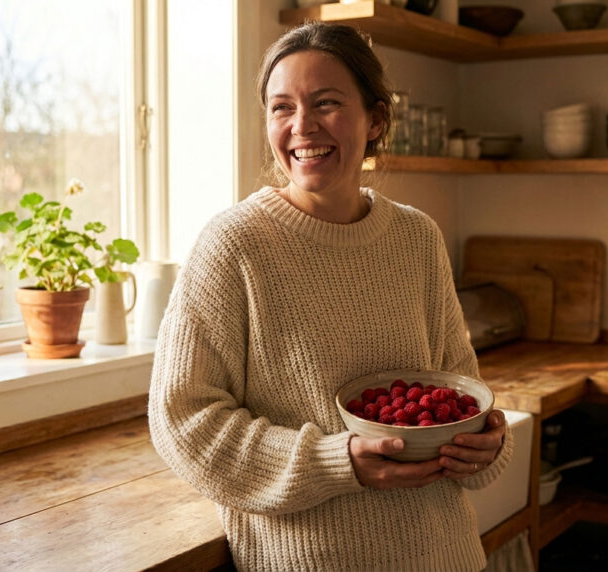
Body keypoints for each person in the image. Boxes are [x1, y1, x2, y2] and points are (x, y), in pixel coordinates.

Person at [148, 21, 514, 571]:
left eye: (327, 103)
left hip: (445, 554)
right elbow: (183, 420)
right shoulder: (235, 245)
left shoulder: (417, 238)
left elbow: (459, 389)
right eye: (281, 107)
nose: (302, 126)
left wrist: (485, 443)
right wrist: (334, 461)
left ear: (376, 120)